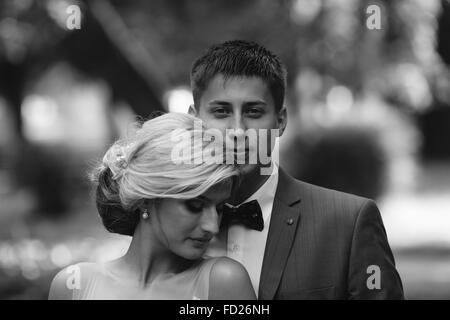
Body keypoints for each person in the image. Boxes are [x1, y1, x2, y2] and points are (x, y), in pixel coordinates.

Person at [189, 40, 404, 299]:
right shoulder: (165, 221)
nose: (237, 131)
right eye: (221, 112)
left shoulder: (349, 223)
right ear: (194, 119)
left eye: (254, 112)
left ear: (280, 121)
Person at [48, 112, 256, 300]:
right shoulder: (75, 286)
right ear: (146, 198)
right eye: (195, 205)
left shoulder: (223, 282)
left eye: (219, 208)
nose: (213, 226)